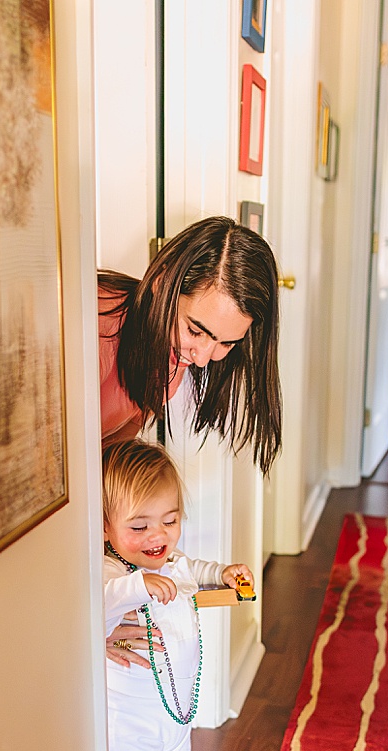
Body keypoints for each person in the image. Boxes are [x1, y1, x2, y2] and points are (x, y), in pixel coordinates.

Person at [100, 215, 281, 670]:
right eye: (197, 330)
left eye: (226, 343)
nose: (203, 357)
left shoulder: (172, 357)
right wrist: (82, 621)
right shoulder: (97, 328)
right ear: (163, 282)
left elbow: (103, 474)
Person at [101, 439, 253, 751]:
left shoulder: (172, 561)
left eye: (170, 520)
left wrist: (224, 572)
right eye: (139, 526)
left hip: (176, 703)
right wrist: (137, 583)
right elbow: (96, 607)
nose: (158, 536)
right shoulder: (110, 572)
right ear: (106, 529)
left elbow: (195, 569)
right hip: (133, 713)